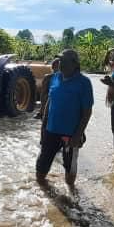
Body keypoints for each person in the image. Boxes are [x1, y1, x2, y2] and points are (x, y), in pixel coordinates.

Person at [36, 49, 94, 191]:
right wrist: (43, 126)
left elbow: (87, 112)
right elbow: (50, 102)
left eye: (65, 61)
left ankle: (71, 197)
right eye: (60, 61)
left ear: (75, 64)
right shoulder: (54, 78)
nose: (61, 64)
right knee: (41, 167)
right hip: (50, 131)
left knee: (70, 169)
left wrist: (77, 135)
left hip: (70, 134)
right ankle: (43, 194)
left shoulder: (84, 83)